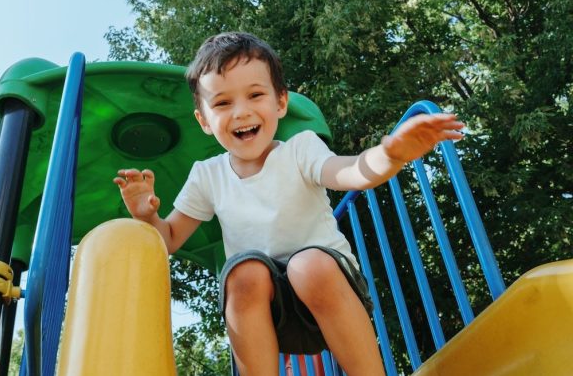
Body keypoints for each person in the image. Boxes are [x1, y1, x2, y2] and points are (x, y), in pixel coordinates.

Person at [113, 32, 464, 376]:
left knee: (308, 264)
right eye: (222, 103)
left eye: (255, 95)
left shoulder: (300, 149)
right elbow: (169, 238)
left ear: (280, 102)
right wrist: (147, 216)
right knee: (242, 272)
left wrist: (390, 155)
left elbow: (352, 172)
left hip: (329, 290)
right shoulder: (207, 175)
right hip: (267, 314)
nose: (241, 112)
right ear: (204, 120)